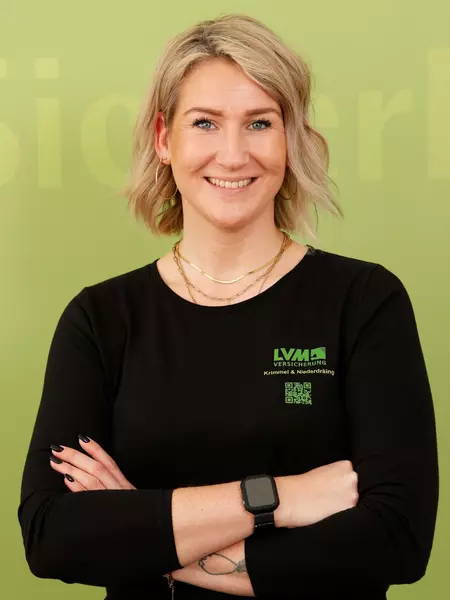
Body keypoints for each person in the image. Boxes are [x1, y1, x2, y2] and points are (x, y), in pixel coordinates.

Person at [17, 13, 439, 600]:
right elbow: (51, 535)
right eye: (205, 123)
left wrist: (142, 531)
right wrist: (278, 498)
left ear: (290, 139)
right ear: (165, 139)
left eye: (260, 123)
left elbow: (397, 538)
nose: (234, 154)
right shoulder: (101, 319)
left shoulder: (365, 301)